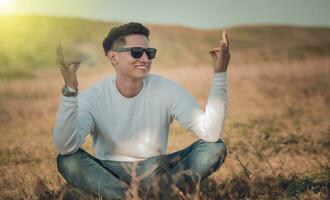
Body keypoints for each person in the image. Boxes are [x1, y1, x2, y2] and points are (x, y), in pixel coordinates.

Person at [53, 22, 230, 199]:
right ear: (113, 57)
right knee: (67, 160)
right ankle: (135, 196)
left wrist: (220, 73)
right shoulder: (93, 96)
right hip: (108, 171)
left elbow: (210, 133)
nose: (145, 59)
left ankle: (144, 195)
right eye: (136, 52)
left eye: (149, 53)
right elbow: (66, 147)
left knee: (214, 148)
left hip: (157, 170)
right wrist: (70, 90)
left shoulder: (167, 89)